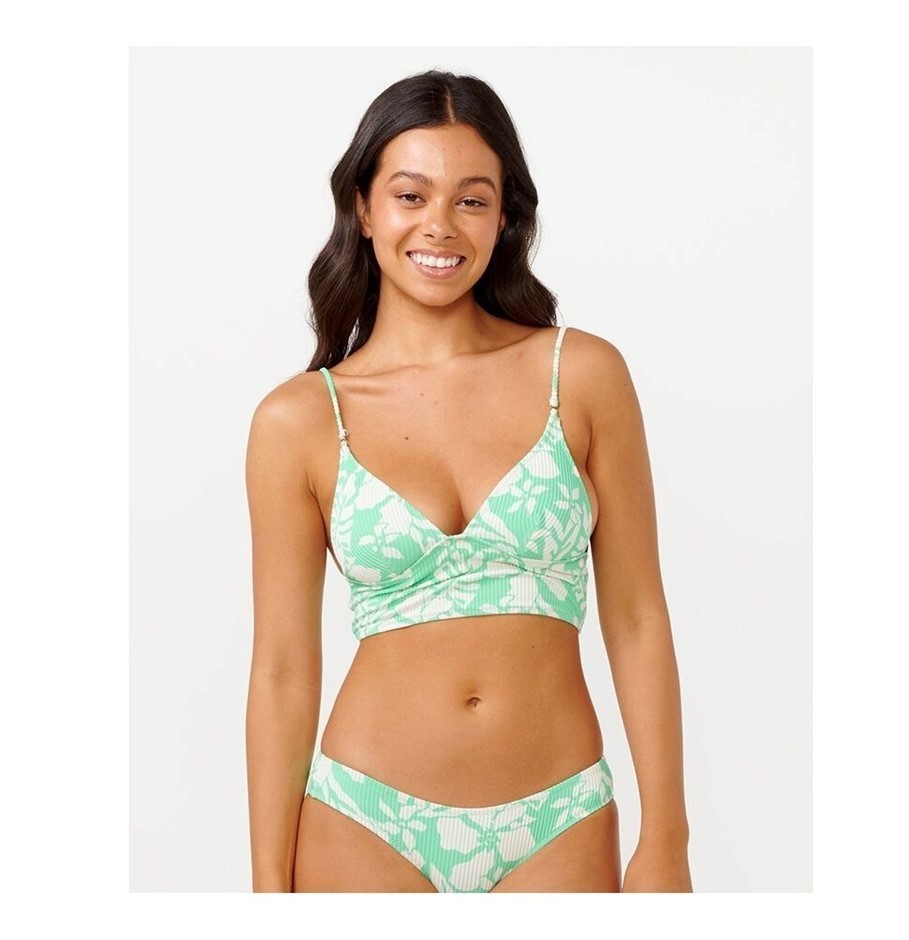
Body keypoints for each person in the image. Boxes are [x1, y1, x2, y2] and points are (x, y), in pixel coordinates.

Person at [245, 69, 692, 893]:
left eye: (472, 199)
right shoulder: (298, 420)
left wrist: (667, 837)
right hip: (363, 819)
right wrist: (267, 888)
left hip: (557, 820)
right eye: (411, 195)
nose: (440, 226)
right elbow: (281, 665)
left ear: (505, 215)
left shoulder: (581, 375)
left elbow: (637, 618)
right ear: (364, 208)